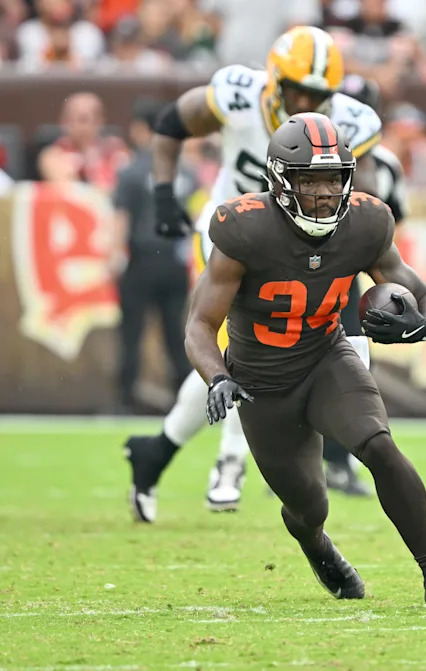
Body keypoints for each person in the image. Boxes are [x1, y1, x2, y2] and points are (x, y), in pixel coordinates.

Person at [186, 112, 426, 609]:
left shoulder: (366, 223)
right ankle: (315, 545)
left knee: (380, 449)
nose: (326, 193)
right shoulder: (243, 228)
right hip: (261, 385)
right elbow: (199, 324)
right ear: (281, 181)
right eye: (310, 180)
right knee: (309, 506)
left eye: (334, 179)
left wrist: (424, 325)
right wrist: (217, 377)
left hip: (326, 359)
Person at [124, 26, 382, 522]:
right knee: (258, 348)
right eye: (296, 90)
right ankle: (230, 460)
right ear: (273, 80)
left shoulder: (350, 122)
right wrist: (161, 193)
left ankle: (156, 452)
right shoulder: (238, 96)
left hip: (302, 240)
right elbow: (169, 123)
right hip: (231, 234)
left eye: (317, 94)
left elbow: (361, 198)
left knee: (267, 356)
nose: (305, 101)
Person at [112, 97, 193, 412]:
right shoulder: (185, 170)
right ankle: (186, 400)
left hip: (141, 260)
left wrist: (114, 257)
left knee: (131, 334)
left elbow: (121, 219)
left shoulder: (131, 171)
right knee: (178, 336)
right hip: (174, 261)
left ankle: (124, 398)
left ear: (141, 130)